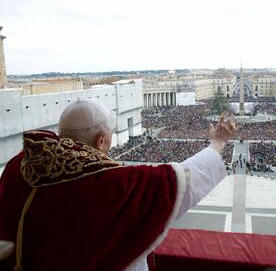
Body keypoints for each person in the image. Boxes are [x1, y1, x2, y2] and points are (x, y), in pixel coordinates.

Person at [0, 100, 237, 271]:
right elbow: (180, 180)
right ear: (101, 140)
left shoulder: (19, 166)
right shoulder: (113, 184)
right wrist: (217, 142)